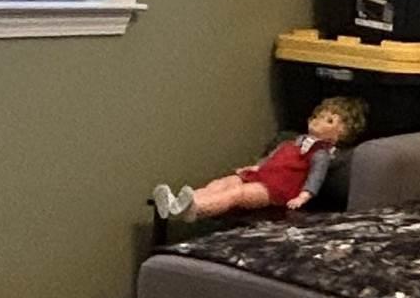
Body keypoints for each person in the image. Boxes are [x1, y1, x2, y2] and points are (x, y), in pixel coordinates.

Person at [152, 96, 368, 226]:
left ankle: (197, 208)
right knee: (224, 183)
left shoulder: (320, 153)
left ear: (342, 133)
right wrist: (255, 167)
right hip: (262, 176)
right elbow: (272, 160)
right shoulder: (294, 142)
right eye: (319, 115)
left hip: (277, 190)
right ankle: (177, 204)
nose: (319, 121)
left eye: (329, 121)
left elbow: (315, 178)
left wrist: (303, 197)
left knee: (237, 194)